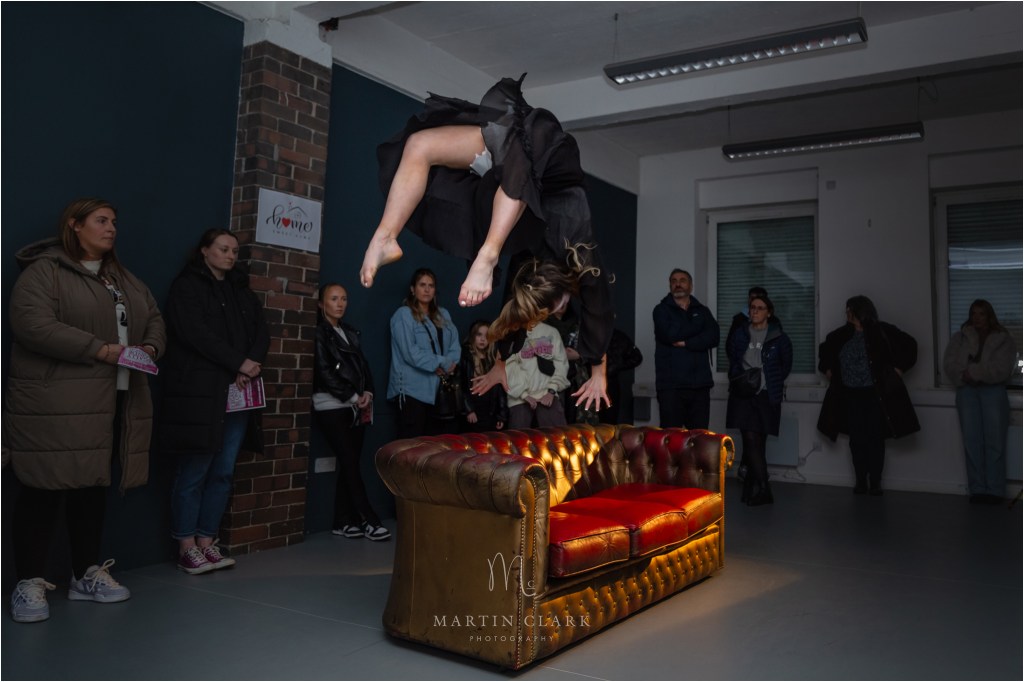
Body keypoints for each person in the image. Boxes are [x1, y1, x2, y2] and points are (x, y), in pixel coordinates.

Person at [358, 75, 615, 412]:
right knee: (518, 177)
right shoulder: (578, 246)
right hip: (550, 165)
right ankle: (485, 255)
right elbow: (599, 308)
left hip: (509, 177)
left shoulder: (528, 265)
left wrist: (500, 364)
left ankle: (386, 236)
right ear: (560, 300)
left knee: (420, 145)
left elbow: (513, 310)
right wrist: (598, 371)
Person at [5, 198, 166, 623]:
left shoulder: (123, 278)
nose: (111, 228)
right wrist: (101, 349)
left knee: (92, 487)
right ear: (75, 225)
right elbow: (32, 324)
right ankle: (29, 582)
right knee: (43, 487)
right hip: (56, 403)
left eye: (114, 221)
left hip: (114, 399)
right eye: (101, 220)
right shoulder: (45, 271)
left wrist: (150, 348)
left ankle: (84, 574)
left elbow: (153, 317)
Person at [159, 229, 270, 574]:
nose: (231, 255)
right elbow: (195, 334)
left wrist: (249, 365)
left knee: (223, 471)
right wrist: (237, 363)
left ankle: (207, 542)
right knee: (194, 470)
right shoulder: (186, 286)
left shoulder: (240, 290)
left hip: (237, 393)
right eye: (223, 249)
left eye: (235, 251)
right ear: (205, 250)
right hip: (199, 394)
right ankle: (186, 546)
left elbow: (261, 331)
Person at [817, 295, 919, 495]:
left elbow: (910, 345)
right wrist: (828, 369)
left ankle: (875, 481)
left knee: (875, 438)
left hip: (874, 395)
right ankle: (860, 480)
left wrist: (898, 369)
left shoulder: (881, 331)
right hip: (850, 395)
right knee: (857, 440)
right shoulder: (841, 335)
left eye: (849, 309)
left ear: (860, 311)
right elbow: (825, 352)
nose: (846, 313)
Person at [312, 283, 390, 540]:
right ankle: (368, 519)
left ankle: (342, 521)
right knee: (349, 461)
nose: (340, 304)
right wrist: (353, 396)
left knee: (351, 463)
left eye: (344, 299)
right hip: (331, 406)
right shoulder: (319, 333)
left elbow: (363, 367)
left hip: (356, 406)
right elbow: (323, 372)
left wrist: (368, 393)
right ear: (321, 304)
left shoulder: (349, 332)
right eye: (334, 299)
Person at [942, 300, 1018, 504]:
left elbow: (1003, 368)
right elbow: (949, 363)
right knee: (971, 441)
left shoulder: (1003, 339)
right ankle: (977, 489)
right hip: (967, 391)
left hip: (993, 391)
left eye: (981, 314)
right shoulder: (960, 337)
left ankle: (995, 490)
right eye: (974, 313)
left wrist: (975, 372)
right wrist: (963, 375)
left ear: (989, 315)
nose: (977, 318)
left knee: (995, 442)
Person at [725, 295, 793, 506]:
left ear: (768, 312)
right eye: (752, 307)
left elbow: (785, 365)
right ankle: (764, 488)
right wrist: (739, 378)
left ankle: (751, 485)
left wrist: (767, 381)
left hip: (766, 395)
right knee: (750, 438)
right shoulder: (740, 333)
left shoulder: (779, 337)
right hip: (743, 394)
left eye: (760, 308)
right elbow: (733, 358)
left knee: (758, 441)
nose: (754, 311)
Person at [387, 268, 462, 438]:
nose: (427, 289)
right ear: (413, 289)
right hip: (412, 391)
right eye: (422, 285)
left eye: (431, 285)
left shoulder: (443, 314)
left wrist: (449, 364)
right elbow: (410, 352)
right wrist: (441, 363)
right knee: (412, 444)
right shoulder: (403, 315)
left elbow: (454, 345)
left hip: (439, 391)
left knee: (434, 444)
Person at [653, 269, 720, 429]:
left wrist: (687, 343)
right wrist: (698, 327)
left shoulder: (702, 311)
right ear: (670, 285)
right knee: (671, 438)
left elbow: (714, 337)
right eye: (674, 281)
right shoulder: (661, 310)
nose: (678, 284)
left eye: (682, 280)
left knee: (699, 437)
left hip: (700, 386)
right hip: (671, 387)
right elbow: (670, 335)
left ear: (691, 285)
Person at [504, 321, 570, 429]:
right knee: (519, 438)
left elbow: (561, 363)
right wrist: (524, 395)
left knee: (557, 436)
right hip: (519, 398)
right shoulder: (511, 333)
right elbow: (508, 366)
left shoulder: (551, 331)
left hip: (547, 395)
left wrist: (551, 391)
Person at [459, 320, 508, 432]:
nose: (483, 339)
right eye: (479, 335)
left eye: (486, 336)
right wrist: (469, 410)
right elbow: (462, 386)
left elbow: (500, 389)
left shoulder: (494, 358)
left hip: (490, 412)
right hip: (473, 411)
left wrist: (502, 415)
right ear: (473, 336)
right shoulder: (466, 357)